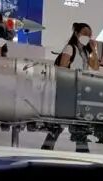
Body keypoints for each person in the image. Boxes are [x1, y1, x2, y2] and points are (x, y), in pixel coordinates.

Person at [41, 22, 97, 153]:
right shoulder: (70, 48)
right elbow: (62, 69)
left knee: (76, 123)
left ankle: (78, 149)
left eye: (89, 34)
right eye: (84, 33)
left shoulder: (85, 52)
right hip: (68, 91)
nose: (87, 36)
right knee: (62, 123)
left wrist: (94, 49)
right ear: (77, 34)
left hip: (79, 92)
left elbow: (95, 66)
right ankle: (50, 148)